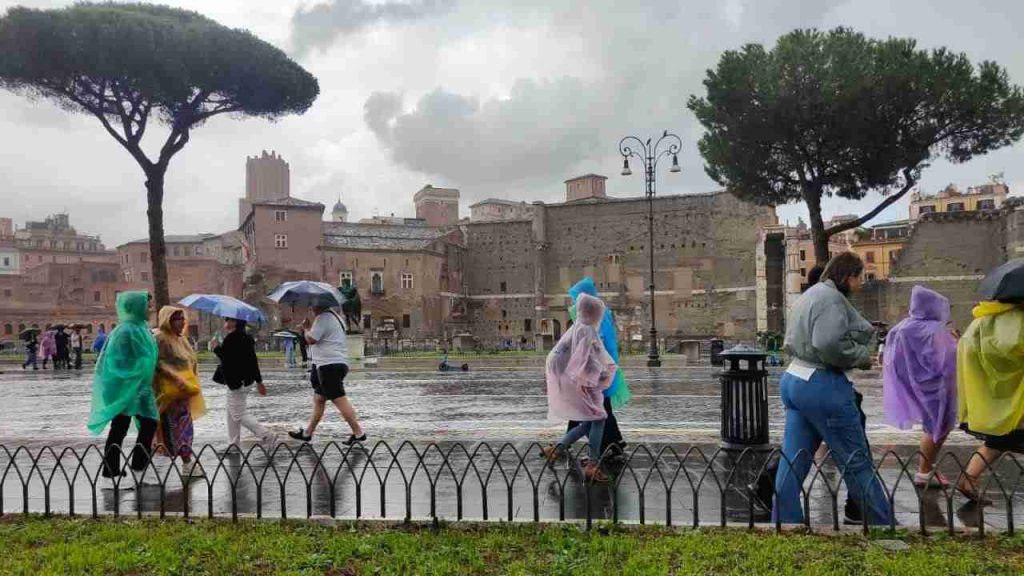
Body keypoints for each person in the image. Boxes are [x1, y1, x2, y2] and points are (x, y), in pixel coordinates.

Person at [773, 252, 892, 525]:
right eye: (859, 277)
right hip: (821, 384)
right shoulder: (831, 299)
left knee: (792, 460)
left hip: (795, 379)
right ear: (848, 276)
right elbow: (827, 343)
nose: (860, 283)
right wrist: (861, 356)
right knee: (855, 459)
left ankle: (785, 522)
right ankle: (882, 525)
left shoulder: (810, 295)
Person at [882, 286, 958, 488]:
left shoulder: (901, 328)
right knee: (939, 427)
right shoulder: (934, 330)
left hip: (914, 385)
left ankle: (927, 468)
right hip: (937, 387)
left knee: (931, 426)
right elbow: (948, 359)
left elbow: (890, 360)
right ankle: (924, 471)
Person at [541, 293, 618, 483]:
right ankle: (592, 465)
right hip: (579, 382)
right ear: (594, 313)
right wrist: (602, 374)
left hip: (569, 380)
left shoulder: (576, 327)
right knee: (599, 418)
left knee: (589, 422)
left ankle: (556, 449)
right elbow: (586, 359)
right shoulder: (586, 330)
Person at [87, 291, 160, 488]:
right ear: (136, 307)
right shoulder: (124, 331)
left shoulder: (142, 329)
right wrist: (135, 376)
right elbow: (115, 362)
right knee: (123, 426)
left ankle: (136, 466)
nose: (150, 310)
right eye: (147, 306)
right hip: (126, 387)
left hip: (141, 387)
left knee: (148, 423)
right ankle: (113, 470)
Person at [956, 297, 1024, 503]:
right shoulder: (1016, 319)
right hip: (1016, 393)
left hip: (990, 392)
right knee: (1003, 439)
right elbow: (1013, 346)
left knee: (996, 441)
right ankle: (968, 479)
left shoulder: (981, 318)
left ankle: (968, 479)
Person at [564, 277, 631, 458]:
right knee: (594, 412)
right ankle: (612, 445)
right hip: (595, 374)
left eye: (577, 297)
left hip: (594, 375)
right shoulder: (594, 316)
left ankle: (601, 450)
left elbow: (598, 345)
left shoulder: (594, 318)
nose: (575, 302)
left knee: (595, 413)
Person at [288, 304, 366, 446]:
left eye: (313, 306)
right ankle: (307, 433)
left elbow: (311, 339)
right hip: (329, 363)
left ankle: (359, 433)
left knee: (339, 400)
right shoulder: (336, 317)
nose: (312, 309)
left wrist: (305, 328)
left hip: (329, 365)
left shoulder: (323, 318)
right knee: (319, 399)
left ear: (320, 306)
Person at [152, 306, 207, 478]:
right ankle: (164, 466)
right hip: (167, 395)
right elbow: (156, 364)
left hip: (183, 394)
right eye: (177, 319)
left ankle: (186, 463)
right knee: (167, 431)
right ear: (167, 320)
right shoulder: (160, 338)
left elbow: (190, 359)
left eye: (183, 319)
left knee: (185, 429)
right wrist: (174, 377)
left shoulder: (181, 339)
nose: (182, 322)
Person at [215, 318, 276, 449]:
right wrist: (259, 382)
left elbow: (227, 360)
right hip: (244, 381)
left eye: (228, 320)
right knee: (231, 413)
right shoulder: (246, 338)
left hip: (237, 382)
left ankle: (267, 435)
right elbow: (252, 360)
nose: (225, 321)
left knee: (238, 414)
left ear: (235, 323)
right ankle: (233, 444)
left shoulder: (232, 339)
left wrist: (215, 348)